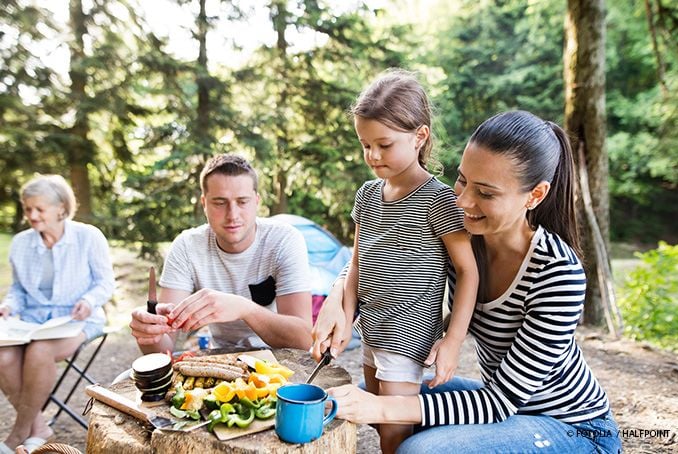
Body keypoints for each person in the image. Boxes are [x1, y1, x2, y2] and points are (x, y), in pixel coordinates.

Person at [321, 111, 623, 453]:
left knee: (418, 447)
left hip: (570, 425)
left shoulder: (556, 272)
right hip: (507, 411)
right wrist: (336, 295)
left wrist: (381, 408)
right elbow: (382, 259)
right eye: (463, 180)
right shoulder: (466, 241)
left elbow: (498, 402)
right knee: (375, 390)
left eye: (486, 193)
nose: (463, 201)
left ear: (535, 195)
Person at [312, 70, 479, 453]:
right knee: (376, 417)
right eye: (364, 144)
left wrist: (453, 340)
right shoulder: (367, 195)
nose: (372, 156)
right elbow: (356, 266)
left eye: (384, 145)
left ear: (419, 137)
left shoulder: (437, 200)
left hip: (408, 338)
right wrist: (343, 318)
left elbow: (469, 271)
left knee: (393, 433)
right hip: (371, 330)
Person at [129, 154, 313, 354]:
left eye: (242, 201)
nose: (232, 215)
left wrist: (245, 309)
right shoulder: (186, 246)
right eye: (219, 202)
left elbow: (302, 340)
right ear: (204, 203)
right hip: (222, 359)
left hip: (282, 361)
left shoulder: (284, 240)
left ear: (256, 202)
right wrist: (147, 333)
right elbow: (162, 350)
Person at [0, 175, 114, 453]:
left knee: (40, 351)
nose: (32, 216)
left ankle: (17, 435)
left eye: (39, 209)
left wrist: (88, 301)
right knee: (2, 357)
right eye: (28, 209)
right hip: (32, 321)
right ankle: (38, 426)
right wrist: (8, 306)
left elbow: (105, 283)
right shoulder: (21, 243)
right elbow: (18, 289)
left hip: (77, 320)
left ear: (61, 208)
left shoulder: (88, 237)